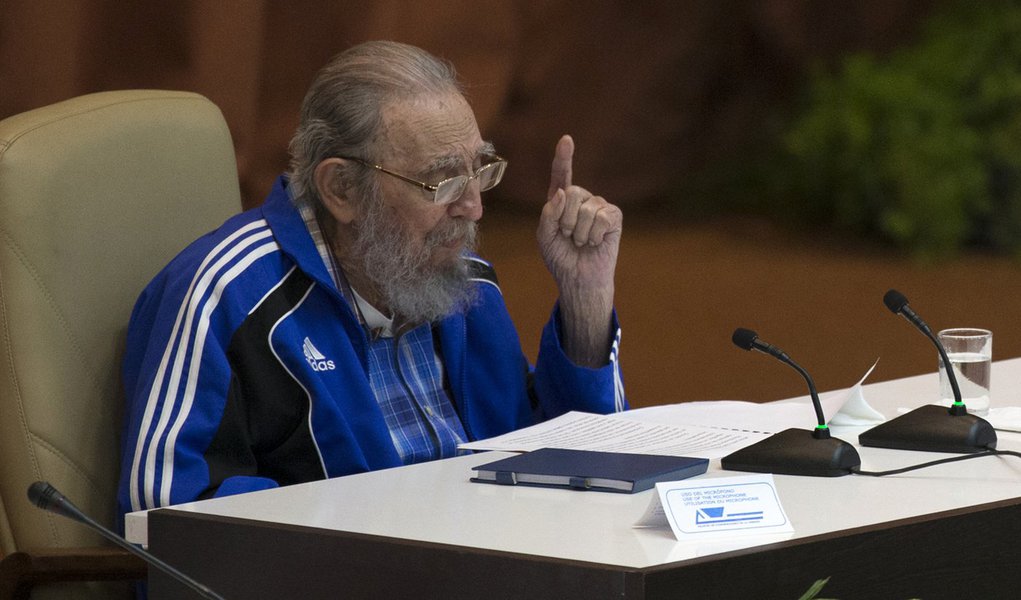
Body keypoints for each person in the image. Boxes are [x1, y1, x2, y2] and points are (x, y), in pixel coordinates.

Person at [117, 40, 626, 518]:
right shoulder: (226, 298)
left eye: (480, 169)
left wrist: (587, 298)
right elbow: (165, 511)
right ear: (342, 189)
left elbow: (581, 463)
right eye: (443, 180)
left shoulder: (465, 285)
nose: (473, 206)